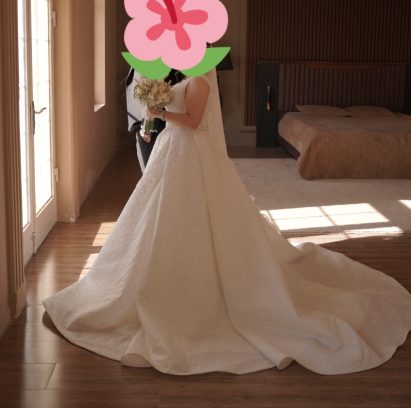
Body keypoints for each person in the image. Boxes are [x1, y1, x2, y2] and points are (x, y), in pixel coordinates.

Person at [42, 68, 411, 375]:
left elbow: (193, 121)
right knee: (153, 214)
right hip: (172, 151)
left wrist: (160, 111)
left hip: (189, 152)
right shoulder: (183, 74)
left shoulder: (202, 77)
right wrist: (156, 112)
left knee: (196, 214)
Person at [125, 67, 185, 172]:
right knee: (150, 171)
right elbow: (134, 90)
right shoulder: (140, 66)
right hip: (146, 126)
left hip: (173, 125)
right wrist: (144, 127)